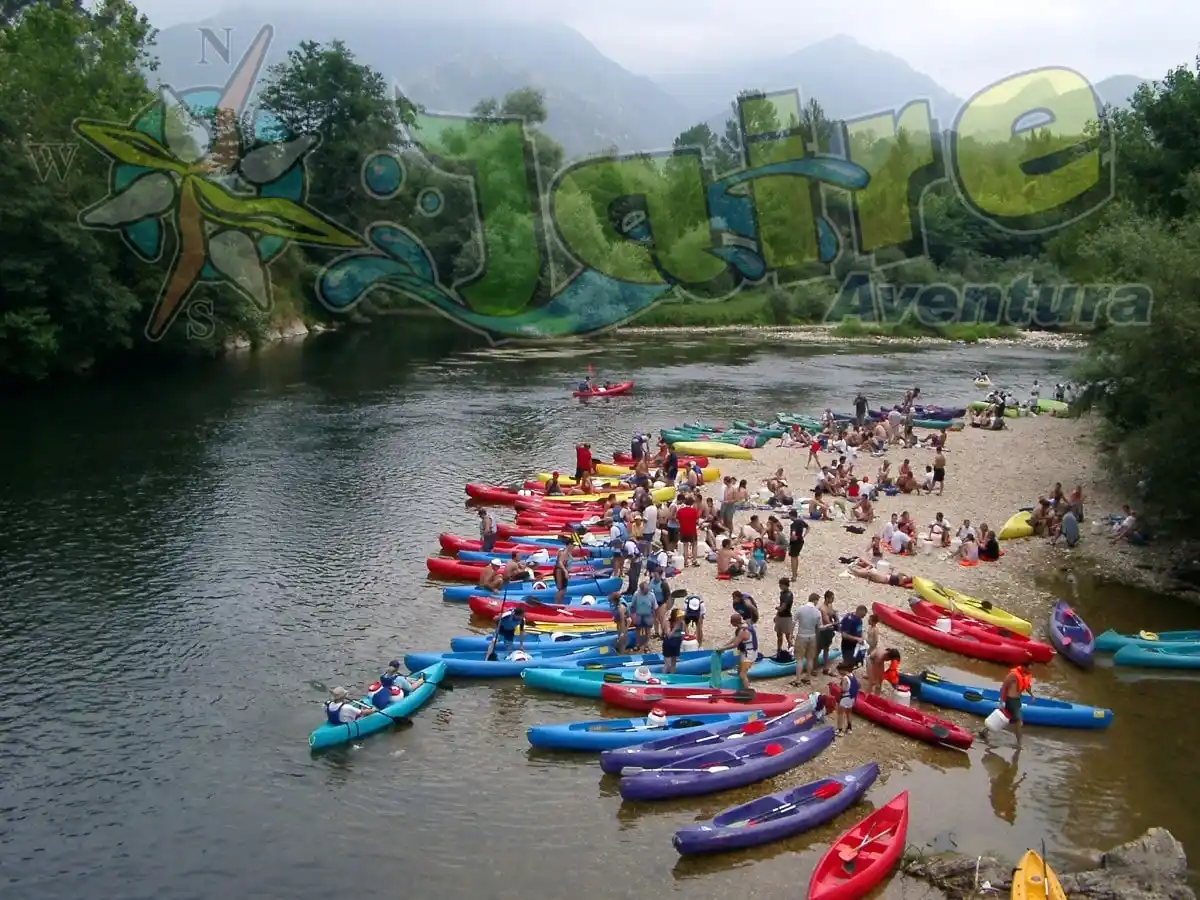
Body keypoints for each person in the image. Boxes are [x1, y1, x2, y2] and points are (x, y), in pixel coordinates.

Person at [985, 654, 1035, 748]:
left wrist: (1032, 695)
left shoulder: (1026, 675)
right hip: (1011, 700)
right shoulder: (1013, 675)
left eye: (1031, 670)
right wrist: (1001, 702)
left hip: (1017, 701)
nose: (1030, 671)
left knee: (1002, 717)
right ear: (1023, 667)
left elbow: (1027, 686)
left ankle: (984, 731)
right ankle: (1019, 744)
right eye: (1029, 669)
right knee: (1019, 721)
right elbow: (1004, 687)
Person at [722, 613, 758, 691]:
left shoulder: (743, 631)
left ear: (734, 623)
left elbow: (735, 644)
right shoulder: (743, 626)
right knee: (739, 670)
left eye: (731, 622)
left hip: (749, 654)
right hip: (744, 652)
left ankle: (748, 691)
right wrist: (725, 645)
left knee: (742, 674)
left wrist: (723, 649)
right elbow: (736, 637)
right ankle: (740, 688)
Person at [793, 592, 822, 684]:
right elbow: (820, 626)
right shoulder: (817, 612)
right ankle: (807, 678)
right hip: (812, 636)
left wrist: (791, 634)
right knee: (810, 659)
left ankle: (798, 680)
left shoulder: (800, 609)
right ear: (815, 600)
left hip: (802, 635)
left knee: (799, 659)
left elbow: (794, 622)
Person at [629, 579, 656, 650]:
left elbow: (654, 607)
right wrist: (632, 616)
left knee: (648, 630)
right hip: (639, 615)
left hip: (648, 615)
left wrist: (654, 617)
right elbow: (632, 606)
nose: (647, 591)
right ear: (641, 589)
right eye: (645, 590)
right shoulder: (636, 594)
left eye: (647, 589)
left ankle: (646, 645)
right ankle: (637, 644)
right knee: (638, 630)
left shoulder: (652, 595)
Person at [848, 559, 914, 587]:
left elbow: (900, 573)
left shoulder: (901, 582)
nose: (906, 577)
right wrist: (891, 570)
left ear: (908, 579)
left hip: (884, 579)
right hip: (884, 577)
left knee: (869, 572)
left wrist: (906, 575)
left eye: (908, 578)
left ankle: (853, 570)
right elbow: (898, 574)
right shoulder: (901, 579)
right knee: (869, 571)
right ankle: (854, 570)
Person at [835, 661, 859, 736]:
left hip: (845, 698)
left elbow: (844, 689)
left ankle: (840, 730)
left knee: (840, 714)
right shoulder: (853, 676)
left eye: (839, 671)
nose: (839, 673)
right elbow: (858, 685)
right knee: (849, 713)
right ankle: (849, 728)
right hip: (852, 698)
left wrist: (839, 687)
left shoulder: (845, 678)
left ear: (843, 670)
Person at [817, 593, 838, 676]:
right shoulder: (822, 609)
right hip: (823, 631)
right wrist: (837, 623)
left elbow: (832, 613)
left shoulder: (829, 605)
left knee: (826, 649)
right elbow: (827, 621)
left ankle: (825, 668)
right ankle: (814, 668)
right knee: (818, 649)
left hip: (829, 631)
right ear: (827, 598)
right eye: (832, 598)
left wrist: (835, 615)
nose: (833, 599)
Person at [676, 495, 701, 567]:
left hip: (683, 530)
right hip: (692, 530)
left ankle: (686, 562)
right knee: (694, 545)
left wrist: (682, 523)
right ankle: (694, 560)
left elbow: (677, 520)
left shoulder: (680, 511)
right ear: (692, 503)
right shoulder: (694, 511)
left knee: (685, 546)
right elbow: (697, 521)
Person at [774, 577, 795, 657]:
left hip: (786, 617)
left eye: (781, 585)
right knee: (779, 635)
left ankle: (791, 650)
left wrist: (778, 608)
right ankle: (779, 650)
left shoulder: (788, 595)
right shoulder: (782, 593)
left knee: (787, 636)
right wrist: (777, 615)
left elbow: (783, 607)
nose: (780, 586)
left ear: (785, 585)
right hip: (780, 616)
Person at [787, 509, 809, 580]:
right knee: (796, 557)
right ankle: (795, 572)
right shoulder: (801, 521)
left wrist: (791, 542)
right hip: (801, 541)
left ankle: (794, 576)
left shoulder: (793, 524)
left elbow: (793, 534)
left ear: (791, 516)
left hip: (795, 543)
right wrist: (804, 536)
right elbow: (808, 527)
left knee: (793, 558)